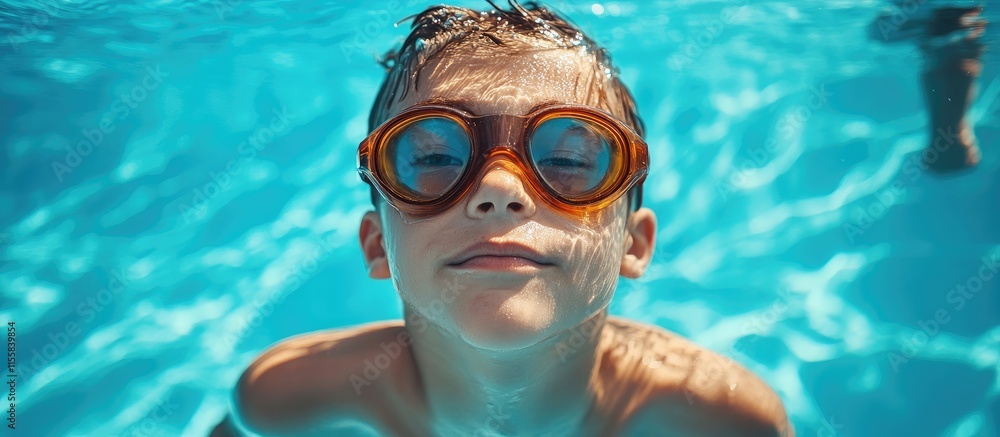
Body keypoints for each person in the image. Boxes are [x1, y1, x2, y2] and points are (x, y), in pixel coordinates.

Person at [211, 2, 792, 436]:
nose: (498, 189)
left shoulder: (727, 416)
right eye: (434, 158)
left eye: (568, 160)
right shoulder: (282, 394)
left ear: (633, 246)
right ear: (377, 246)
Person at [869, 2, 988, 173]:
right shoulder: (949, 126)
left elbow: (956, 73)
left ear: (965, 152)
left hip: (949, 40)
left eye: (973, 153)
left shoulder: (954, 128)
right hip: (940, 45)